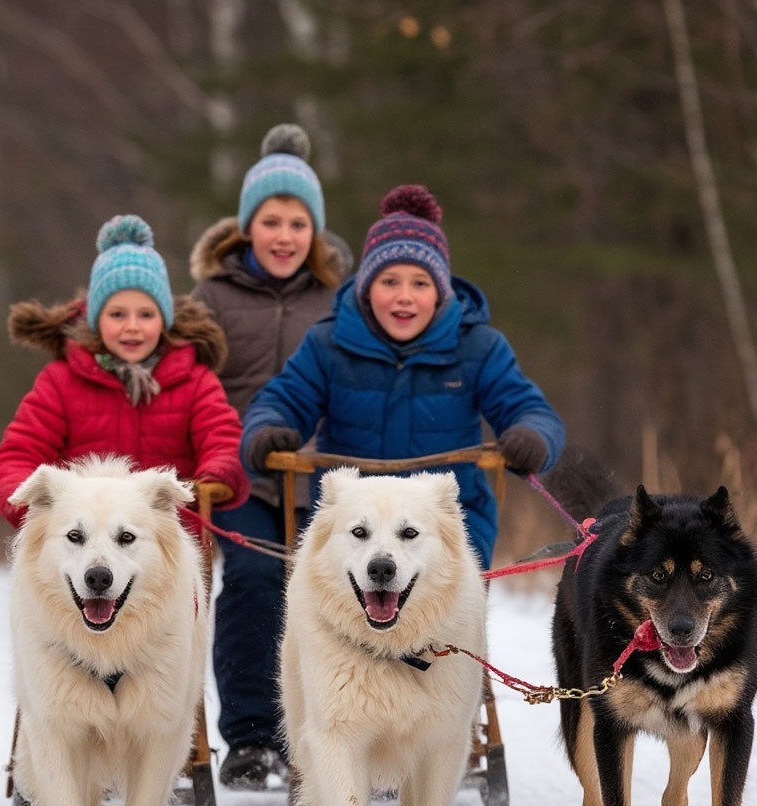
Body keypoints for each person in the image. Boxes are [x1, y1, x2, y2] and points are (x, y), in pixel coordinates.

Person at [240, 183, 566, 572]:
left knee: (437, 618)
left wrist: (532, 436)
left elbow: (530, 409)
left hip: (447, 521)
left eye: (420, 283)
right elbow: (281, 400)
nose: (404, 297)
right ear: (366, 289)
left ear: (441, 292)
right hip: (355, 524)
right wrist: (267, 430)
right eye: (389, 282)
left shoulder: (478, 346)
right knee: (340, 621)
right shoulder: (328, 343)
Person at [188, 124, 349, 790]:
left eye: (298, 222)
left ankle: (346, 727)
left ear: (315, 231)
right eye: (271, 221)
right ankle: (253, 736)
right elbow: (188, 385)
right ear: (246, 228)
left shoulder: (342, 299)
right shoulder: (212, 300)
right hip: (246, 479)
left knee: (348, 593)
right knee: (255, 580)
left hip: (330, 480)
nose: (284, 236)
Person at [0, 213, 248, 534]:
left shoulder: (195, 381)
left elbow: (223, 439)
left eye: (146, 314)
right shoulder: (61, 381)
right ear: (97, 320)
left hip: (167, 543)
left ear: (164, 319)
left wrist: (216, 476)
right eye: (117, 314)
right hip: (84, 542)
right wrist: (26, 501)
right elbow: (18, 452)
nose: (132, 326)